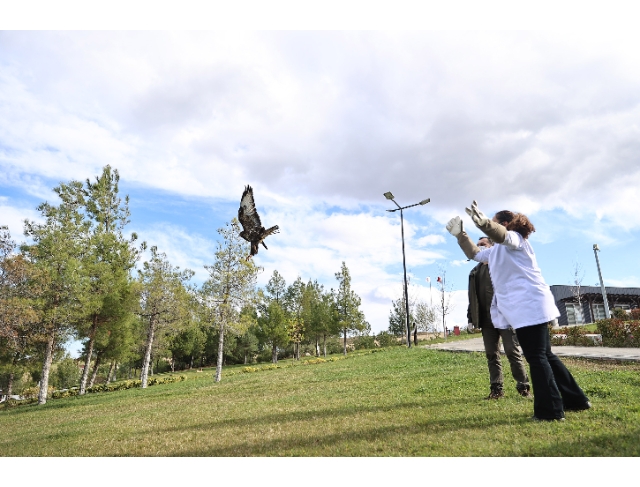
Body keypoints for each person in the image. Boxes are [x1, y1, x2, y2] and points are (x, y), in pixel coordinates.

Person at [446, 202, 591, 421]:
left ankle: (550, 412)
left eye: (494, 223)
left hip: (530, 306)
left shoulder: (516, 240)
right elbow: (475, 254)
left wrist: (484, 223)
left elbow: (503, 235)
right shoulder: (495, 252)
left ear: (504, 224)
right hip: (525, 308)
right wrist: (461, 235)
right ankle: (576, 400)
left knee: (536, 357)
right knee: (546, 355)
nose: (490, 229)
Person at [468, 236, 531, 400]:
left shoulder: (501, 266)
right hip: (486, 321)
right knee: (491, 354)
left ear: (492, 247)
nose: (480, 247)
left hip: (505, 317)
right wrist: (471, 318)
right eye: (478, 245)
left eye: (483, 245)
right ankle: (497, 389)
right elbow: (473, 298)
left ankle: (523, 386)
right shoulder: (474, 272)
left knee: (512, 350)